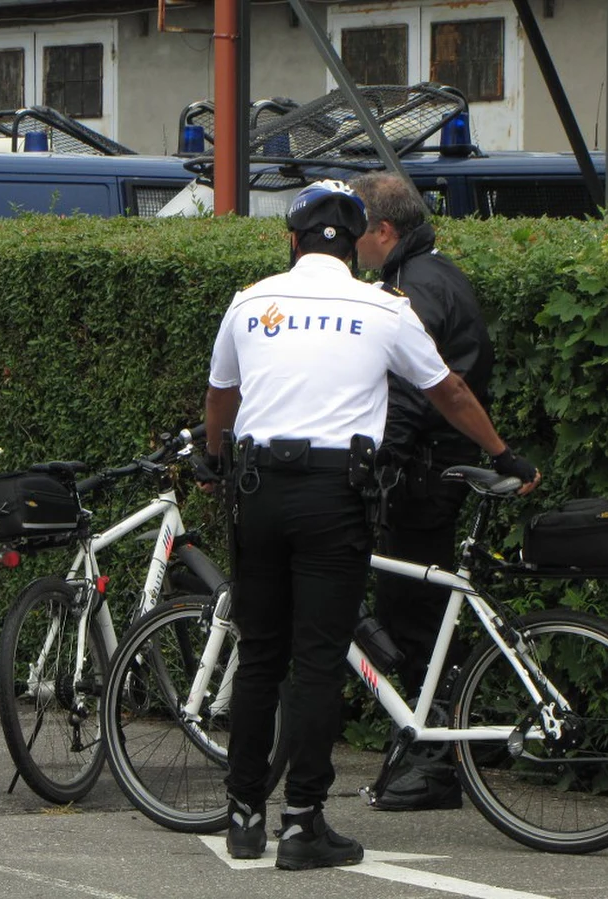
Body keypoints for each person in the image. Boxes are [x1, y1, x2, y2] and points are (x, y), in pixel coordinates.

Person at [204, 179, 539, 870]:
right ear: (357, 244)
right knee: (318, 660)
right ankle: (302, 822)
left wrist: (215, 460)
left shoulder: (249, 302)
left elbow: (221, 398)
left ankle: (242, 814)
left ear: (291, 240)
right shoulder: (382, 308)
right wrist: (503, 453)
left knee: (261, 653)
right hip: (334, 495)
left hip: (259, 489)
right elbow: (447, 389)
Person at [349, 172, 494, 812]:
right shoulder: (429, 273)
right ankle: (430, 750)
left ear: (384, 230)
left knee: (411, 613)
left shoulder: (414, 288)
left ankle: (433, 762)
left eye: (356, 229)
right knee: (418, 610)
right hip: (435, 465)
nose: (349, 243)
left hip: (426, 472)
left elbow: (413, 390)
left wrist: (378, 471)